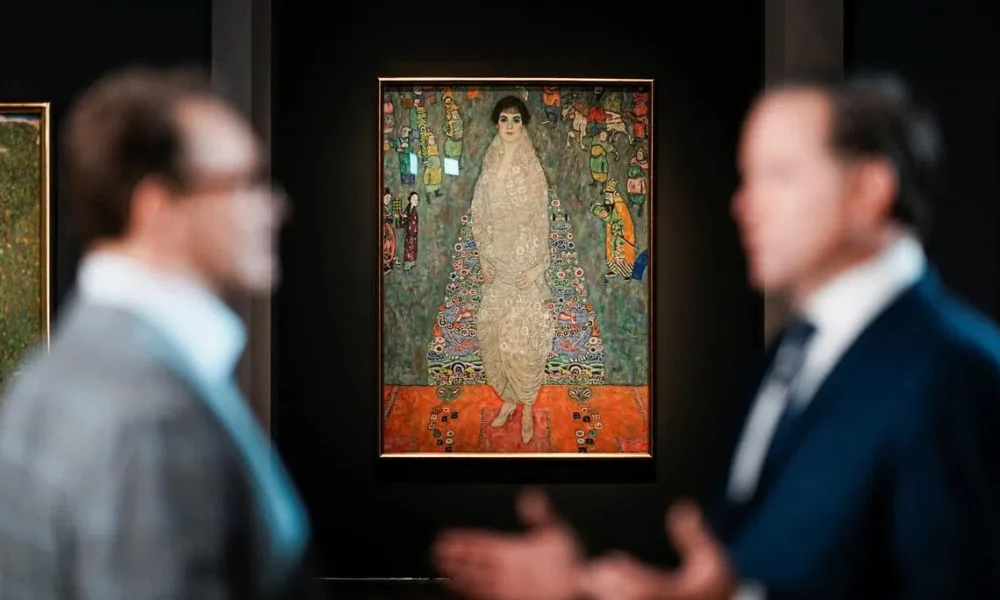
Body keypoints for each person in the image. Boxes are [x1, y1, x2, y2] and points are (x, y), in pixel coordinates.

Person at [433, 73, 1000, 599]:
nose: (743, 203)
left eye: (779, 174)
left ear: (867, 190)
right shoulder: (788, 359)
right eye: (748, 176)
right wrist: (606, 588)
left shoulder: (955, 375)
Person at [0, 67, 317, 599]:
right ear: (158, 207)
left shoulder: (53, 371)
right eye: (244, 183)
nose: (275, 207)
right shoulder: (149, 418)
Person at [471, 96, 554, 444]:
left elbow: (541, 222)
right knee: (490, 329)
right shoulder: (489, 164)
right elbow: (479, 213)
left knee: (523, 339)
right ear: (496, 123)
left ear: (523, 125)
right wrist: (484, 258)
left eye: (515, 119)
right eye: (504, 119)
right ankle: (508, 399)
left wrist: (537, 268)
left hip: (523, 264)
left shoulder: (531, 169)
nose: (509, 125)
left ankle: (528, 406)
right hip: (497, 262)